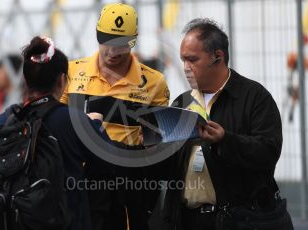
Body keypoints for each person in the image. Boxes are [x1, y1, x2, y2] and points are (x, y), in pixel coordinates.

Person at [149, 18, 286, 230]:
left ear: (217, 57)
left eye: (192, 60)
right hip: (186, 220)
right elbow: (168, 171)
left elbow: (268, 152)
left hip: (238, 221)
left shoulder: (254, 97)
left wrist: (225, 140)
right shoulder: (182, 103)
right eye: (183, 60)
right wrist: (150, 146)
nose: (185, 68)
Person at [60, 3, 170, 230]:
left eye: (120, 44)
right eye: (106, 41)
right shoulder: (71, 73)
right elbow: (55, 122)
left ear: (134, 40)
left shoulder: (153, 82)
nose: (111, 52)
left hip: (128, 182)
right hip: (80, 179)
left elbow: (157, 141)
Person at [0, 36, 105, 230]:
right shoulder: (73, 121)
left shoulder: (4, 121)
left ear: (25, 79)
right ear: (62, 80)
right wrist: (97, 126)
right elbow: (110, 163)